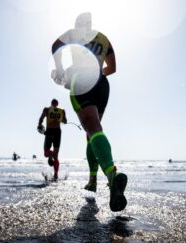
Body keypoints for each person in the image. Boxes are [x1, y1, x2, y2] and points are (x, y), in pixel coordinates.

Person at [51, 12, 128, 212]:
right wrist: (96, 73)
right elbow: (112, 67)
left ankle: (111, 175)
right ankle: (92, 180)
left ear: (78, 23)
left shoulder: (73, 33)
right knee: (93, 133)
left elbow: (55, 46)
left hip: (81, 81)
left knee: (92, 130)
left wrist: (60, 70)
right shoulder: (103, 38)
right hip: (102, 84)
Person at [37, 99, 67, 180]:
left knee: (46, 153)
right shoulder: (62, 111)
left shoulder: (47, 109)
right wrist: (60, 120)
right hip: (57, 132)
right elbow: (65, 121)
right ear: (57, 104)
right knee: (56, 155)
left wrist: (39, 126)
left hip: (49, 132)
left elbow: (41, 119)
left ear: (51, 103)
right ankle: (56, 174)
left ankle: (51, 156)